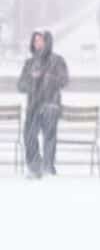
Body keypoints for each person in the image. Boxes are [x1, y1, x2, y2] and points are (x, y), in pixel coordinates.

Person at [15, 30, 68, 178]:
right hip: (33, 106)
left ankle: (48, 168)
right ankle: (34, 167)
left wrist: (47, 78)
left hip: (50, 104)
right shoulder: (29, 63)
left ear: (47, 42)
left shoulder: (57, 60)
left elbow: (64, 80)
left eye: (41, 40)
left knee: (49, 136)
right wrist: (32, 80)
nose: (37, 43)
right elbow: (20, 85)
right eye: (35, 41)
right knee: (29, 135)